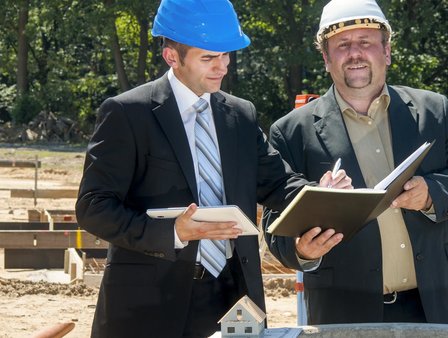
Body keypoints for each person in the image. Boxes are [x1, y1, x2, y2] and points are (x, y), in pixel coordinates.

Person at [75, 0, 350, 337]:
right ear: (172, 57)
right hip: (148, 306)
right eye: (208, 58)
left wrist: (321, 194)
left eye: (226, 55)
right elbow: (94, 208)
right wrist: (174, 232)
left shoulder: (240, 115)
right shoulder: (127, 114)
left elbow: (277, 183)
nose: (222, 67)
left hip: (232, 299)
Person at [263, 0, 448, 326]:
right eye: (342, 45)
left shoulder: (433, 111)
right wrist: (302, 250)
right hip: (345, 314)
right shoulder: (292, 132)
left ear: (386, 51)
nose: (355, 53)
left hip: (438, 304)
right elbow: (275, 226)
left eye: (366, 42)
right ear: (327, 59)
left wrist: (430, 193)